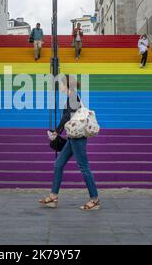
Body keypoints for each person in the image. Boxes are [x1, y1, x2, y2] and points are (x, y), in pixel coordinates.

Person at [39, 75, 100, 211]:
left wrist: (56, 131)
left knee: (84, 167)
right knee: (58, 164)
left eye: (60, 84)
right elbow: (68, 117)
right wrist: (58, 131)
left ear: (65, 85)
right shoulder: (72, 97)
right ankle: (53, 196)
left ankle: (94, 199)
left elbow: (67, 117)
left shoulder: (73, 97)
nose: (59, 87)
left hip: (77, 139)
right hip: (73, 137)